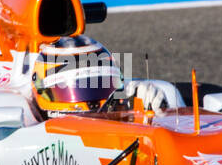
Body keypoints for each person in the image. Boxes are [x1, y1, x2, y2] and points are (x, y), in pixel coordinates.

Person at [30, 35, 171, 117]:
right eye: (78, 87)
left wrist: (148, 113)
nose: (91, 101)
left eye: (100, 84)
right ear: (42, 89)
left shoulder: (123, 103)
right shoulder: (24, 128)